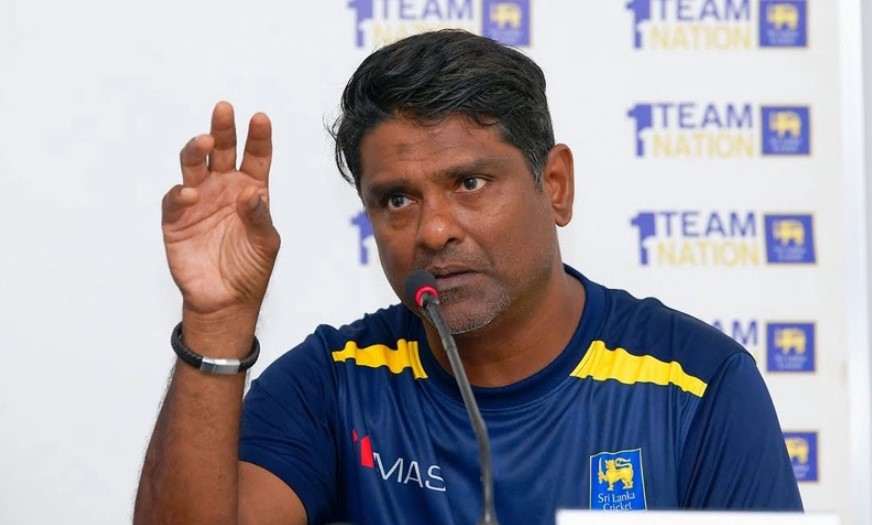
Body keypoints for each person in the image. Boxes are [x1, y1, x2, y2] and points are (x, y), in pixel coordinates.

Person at [134, 29, 803, 525]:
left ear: (556, 184)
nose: (433, 230)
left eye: (470, 183)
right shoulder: (336, 382)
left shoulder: (697, 385)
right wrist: (216, 323)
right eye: (397, 198)